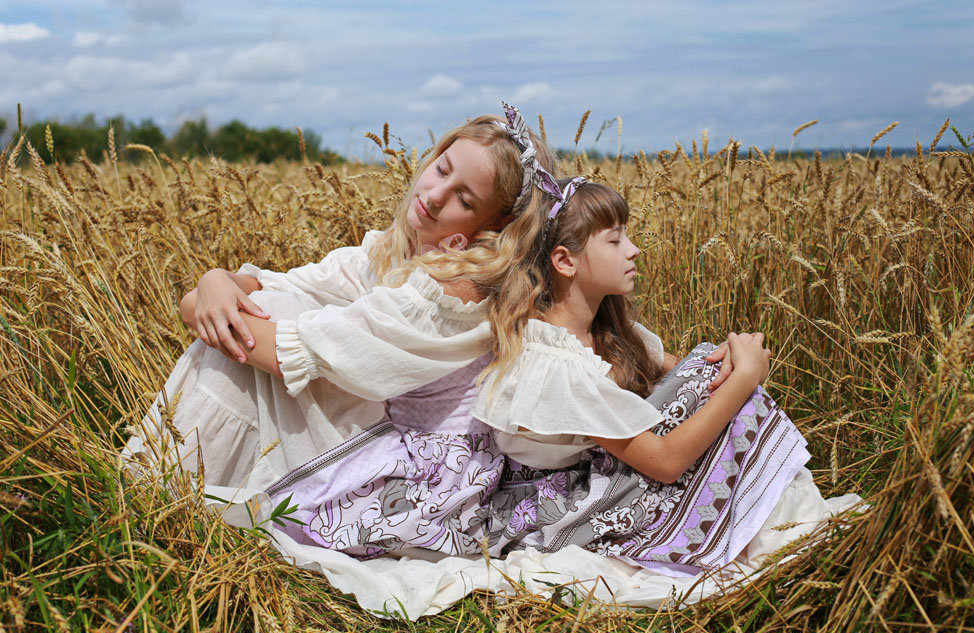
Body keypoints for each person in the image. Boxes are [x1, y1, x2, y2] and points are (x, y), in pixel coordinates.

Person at [124, 103, 560, 503]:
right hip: (381, 452)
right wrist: (215, 281)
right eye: (441, 169)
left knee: (262, 327)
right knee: (265, 312)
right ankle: (166, 490)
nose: (436, 194)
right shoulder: (382, 256)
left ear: (496, 226)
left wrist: (222, 311)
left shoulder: (454, 292)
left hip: (416, 488)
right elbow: (219, 300)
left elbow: (293, 351)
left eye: (465, 199)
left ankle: (155, 492)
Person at [473, 177, 854, 577]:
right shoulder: (553, 360)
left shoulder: (603, 332)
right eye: (615, 240)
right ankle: (787, 530)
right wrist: (746, 377)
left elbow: (686, 375)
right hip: (560, 511)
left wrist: (729, 360)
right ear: (565, 261)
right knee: (713, 383)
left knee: (707, 367)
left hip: (598, 482)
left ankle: (784, 521)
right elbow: (665, 463)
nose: (633, 250)